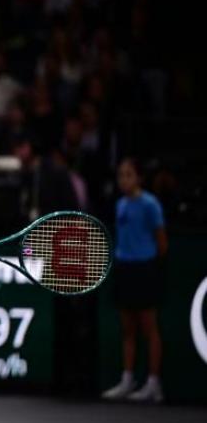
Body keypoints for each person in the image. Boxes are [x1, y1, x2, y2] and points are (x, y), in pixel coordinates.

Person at [102, 158, 167, 403]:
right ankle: (128, 380)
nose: (124, 180)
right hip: (124, 268)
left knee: (149, 329)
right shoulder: (120, 204)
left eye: (129, 175)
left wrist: (148, 263)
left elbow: (162, 242)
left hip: (145, 269)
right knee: (128, 330)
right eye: (121, 175)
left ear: (139, 178)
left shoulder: (151, 204)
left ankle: (153, 384)